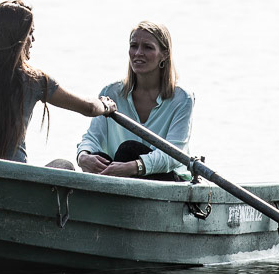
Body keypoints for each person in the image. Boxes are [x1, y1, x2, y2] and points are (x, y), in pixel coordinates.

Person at [0, 0, 115, 163]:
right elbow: (89, 107)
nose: (33, 40)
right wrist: (105, 105)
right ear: (17, 37)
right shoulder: (33, 80)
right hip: (13, 177)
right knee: (65, 165)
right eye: (30, 33)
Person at [53, 21, 193, 180]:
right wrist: (83, 156)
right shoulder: (111, 92)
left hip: (167, 180)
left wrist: (134, 166)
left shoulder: (182, 98)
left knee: (128, 150)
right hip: (120, 173)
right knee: (97, 156)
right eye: (134, 46)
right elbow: (92, 137)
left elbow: (173, 155)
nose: (138, 53)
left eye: (147, 47)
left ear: (165, 54)